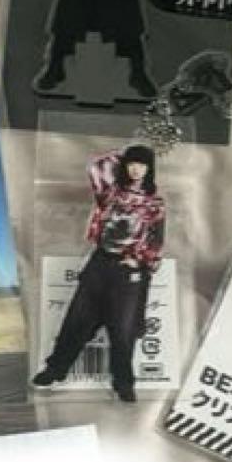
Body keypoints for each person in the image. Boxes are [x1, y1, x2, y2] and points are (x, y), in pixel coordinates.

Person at [32, 145, 164, 402]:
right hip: (100, 262)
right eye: (132, 163)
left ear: (150, 169)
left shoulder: (154, 203)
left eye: (142, 164)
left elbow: (157, 239)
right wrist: (123, 153)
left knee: (123, 330)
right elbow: (95, 166)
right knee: (77, 319)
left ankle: (123, 383)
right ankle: (55, 369)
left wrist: (141, 261)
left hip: (129, 271)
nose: (136, 169)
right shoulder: (110, 192)